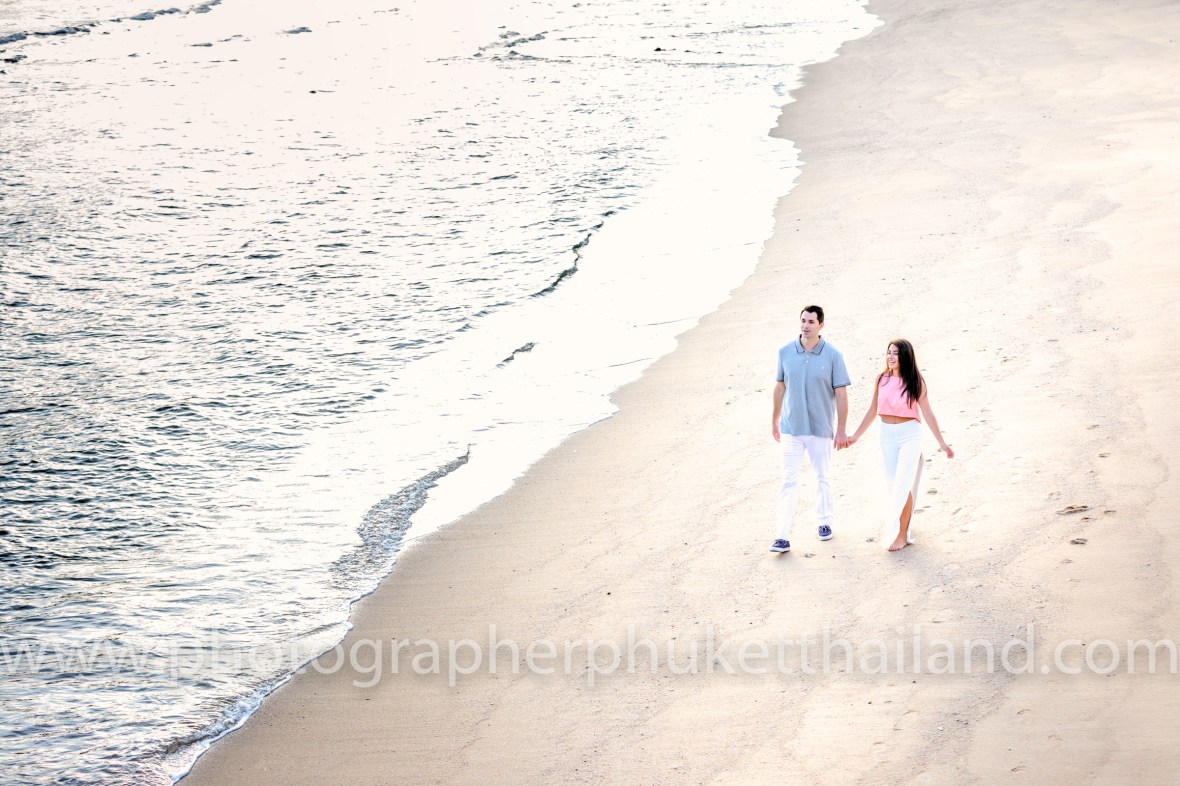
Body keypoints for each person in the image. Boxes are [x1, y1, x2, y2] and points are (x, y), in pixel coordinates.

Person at [849, 339, 954, 551]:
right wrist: (856, 436)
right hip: (887, 434)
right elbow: (872, 410)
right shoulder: (882, 379)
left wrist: (941, 442)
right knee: (892, 484)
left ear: (905, 356)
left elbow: (928, 413)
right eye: (888, 352)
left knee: (903, 483)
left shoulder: (916, 381)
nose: (890, 356)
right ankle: (902, 527)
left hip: (910, 435)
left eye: (895, 353)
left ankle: (902, 534)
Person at [769, 306, 852, 553]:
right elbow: (780, 388)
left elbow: (841, 394)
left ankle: (824, 522)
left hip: (820, 428)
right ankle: (782, 535)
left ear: (821, 325)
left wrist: (841, 429)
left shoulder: (833, 355)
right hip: (791, 428)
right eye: (803, 321)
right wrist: (774, 420)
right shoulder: (785, 352)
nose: (805, 325)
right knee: (788, 481)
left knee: (822, 477)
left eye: (811, 322)